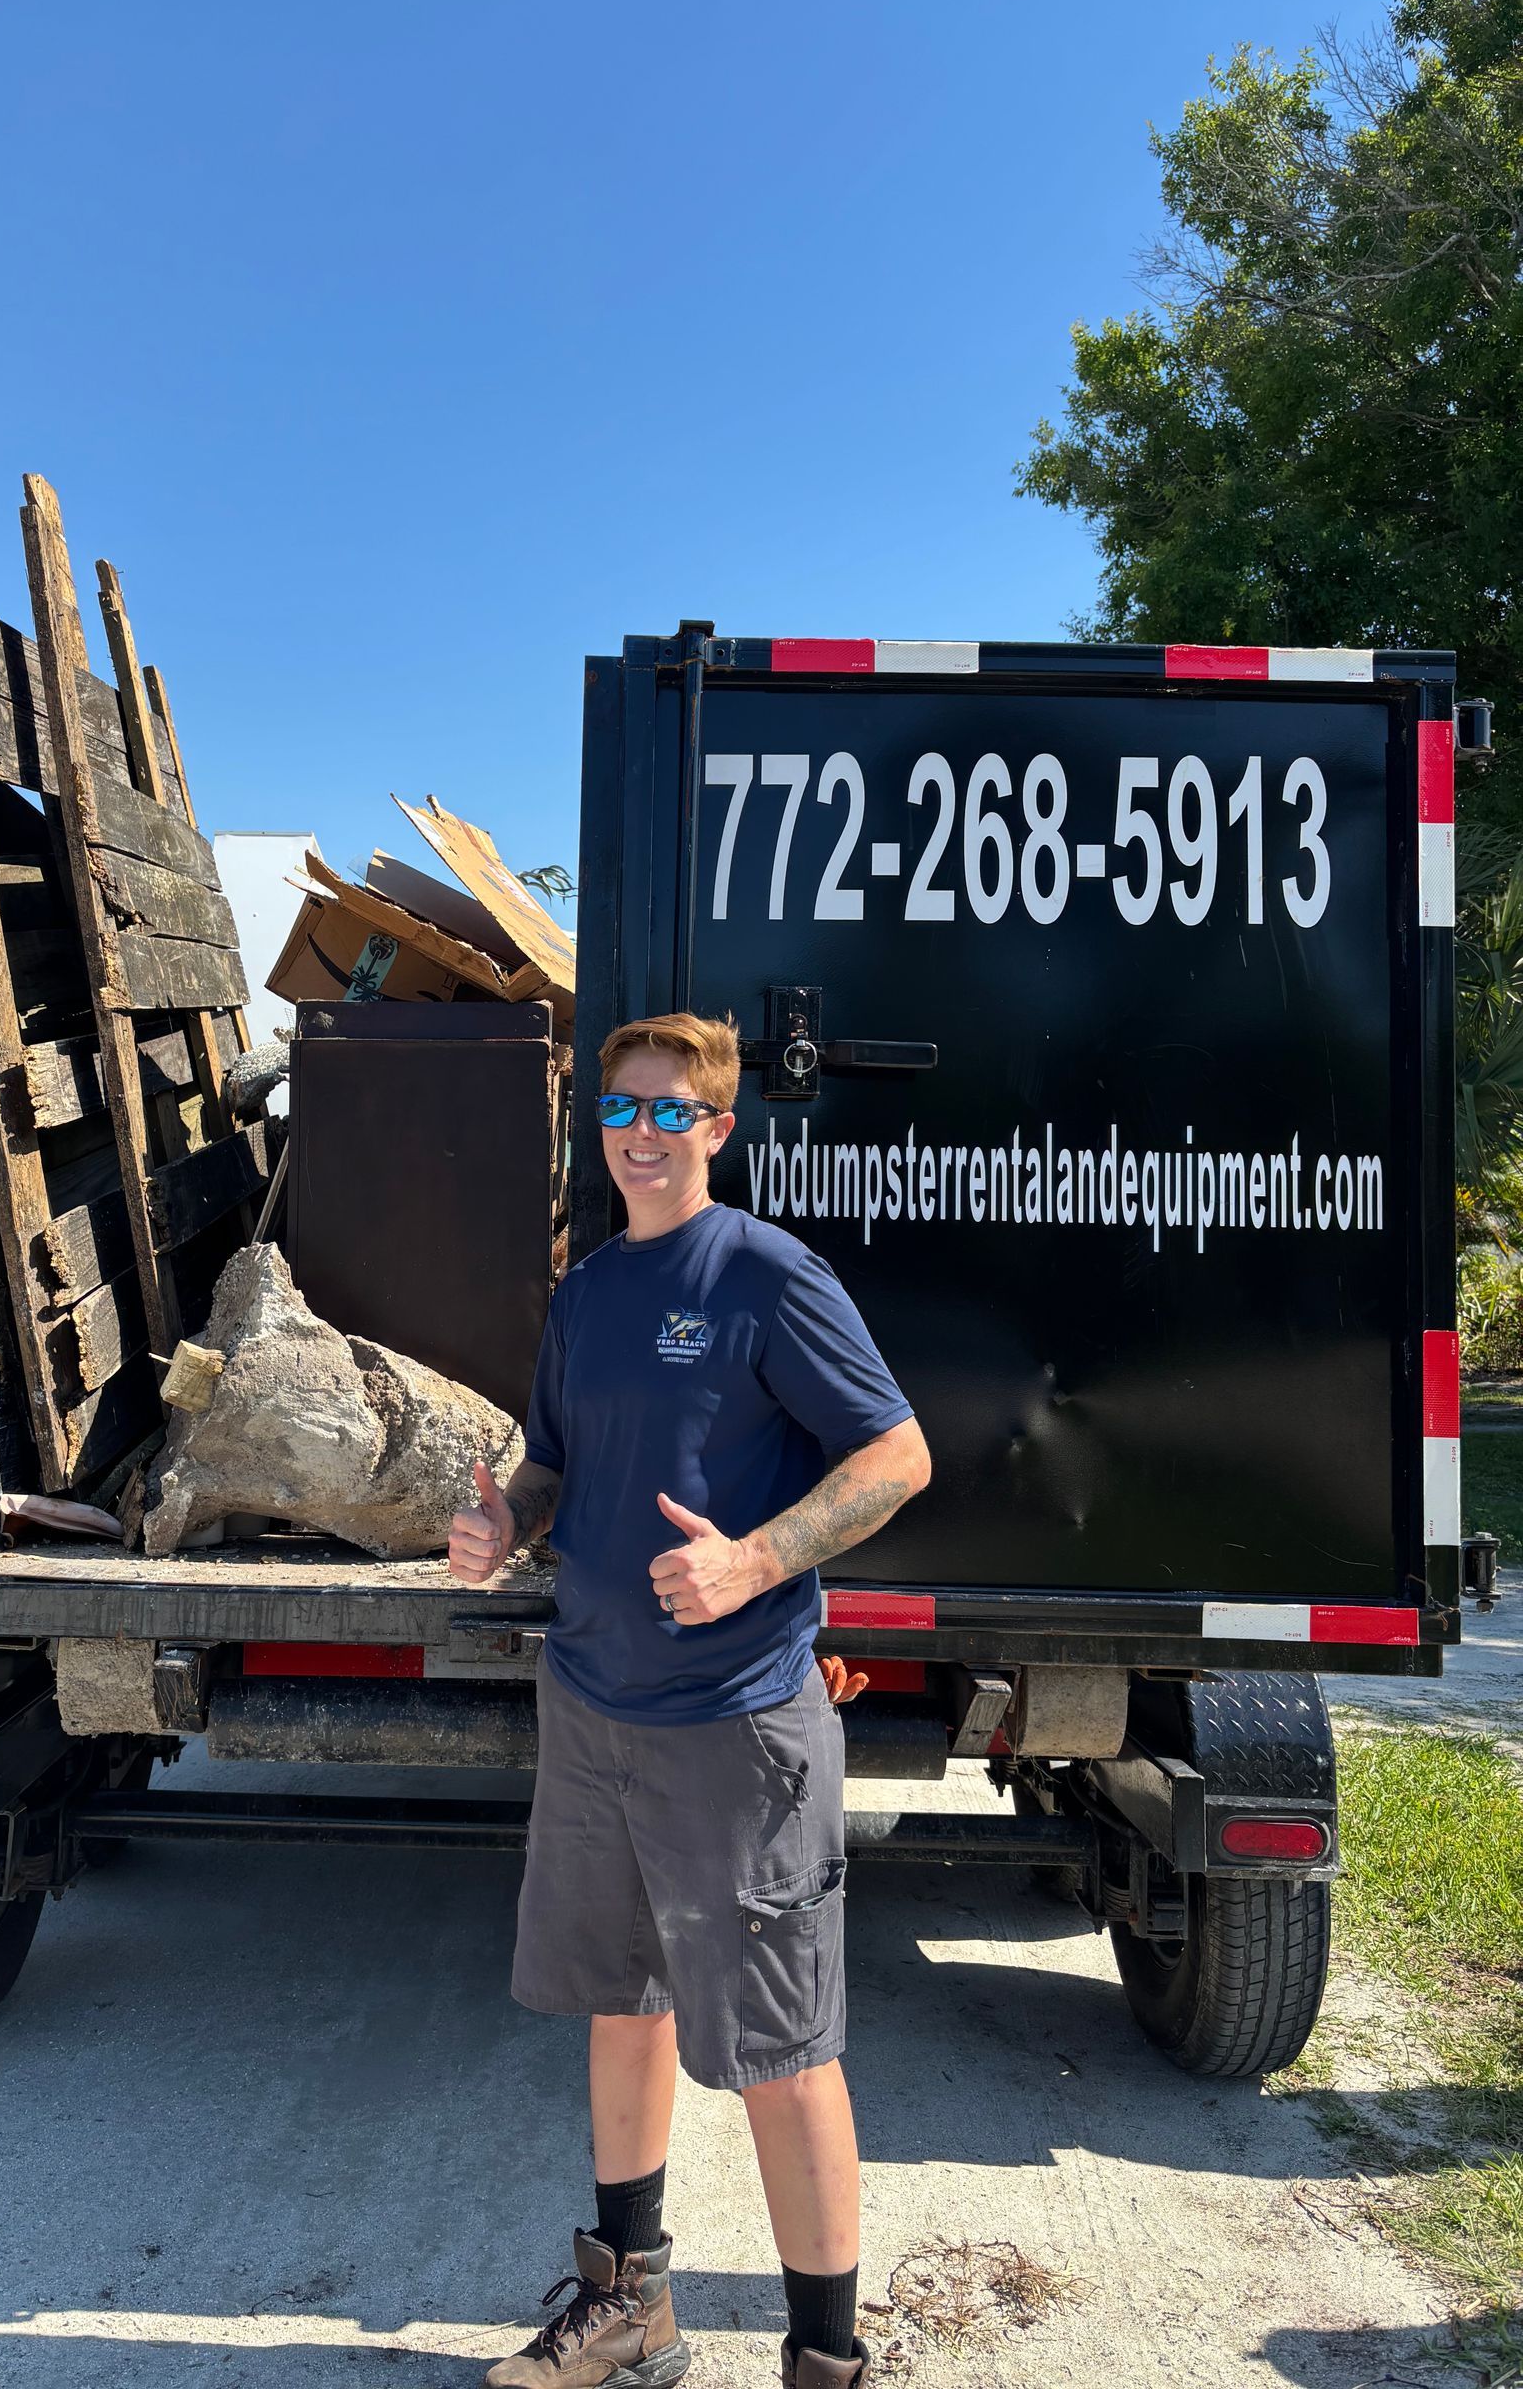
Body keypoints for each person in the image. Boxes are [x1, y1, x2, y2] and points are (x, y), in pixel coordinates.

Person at [451, 1011, 931, 2389]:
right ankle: (629, 2309)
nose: (644, 1134)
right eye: (622, 1112)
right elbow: (549, 1470)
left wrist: (758, 1558)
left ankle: (824, 2361)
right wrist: (504, 1530)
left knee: (784, 2051)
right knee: (624, 2001)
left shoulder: (769, 1276)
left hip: (735, 1721)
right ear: (595, 1130)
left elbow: (896, 1455)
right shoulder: (590, 1291)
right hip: (593, 1704)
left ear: (722, 1128)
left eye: (673, 1111)